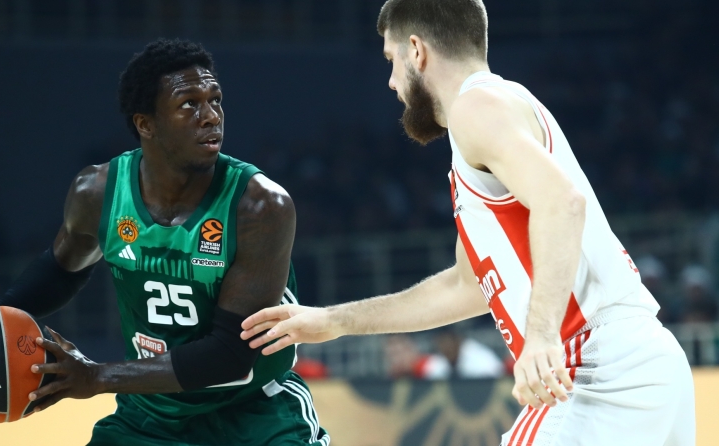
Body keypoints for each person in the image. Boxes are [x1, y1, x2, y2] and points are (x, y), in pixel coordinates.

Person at [240, 1, 695, 445]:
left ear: (416, 50)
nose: (392, 81)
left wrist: (540, 336)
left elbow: (563, 203)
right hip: (648, 362)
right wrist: (334, 320)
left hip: (596, 365)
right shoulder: (499, 111)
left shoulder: (475, 107)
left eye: (391, 59)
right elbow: (465, 286)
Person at [0, 39, 329, 446]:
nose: (212, 116)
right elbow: (61, 269)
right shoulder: (97, 192)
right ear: (146, 124)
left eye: (215, 100)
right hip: (149, 419)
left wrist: (97, 377)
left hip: (254, 413)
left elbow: (230, 355)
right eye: (189, 104)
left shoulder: (259, 206)